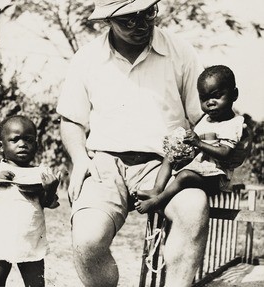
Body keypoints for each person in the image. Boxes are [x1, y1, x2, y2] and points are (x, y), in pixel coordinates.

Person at [56, 1, 208, 286]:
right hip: (104, 164)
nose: (141, 25)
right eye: (128, 20)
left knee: (194, 208)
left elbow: (202, 117)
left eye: (148, 13)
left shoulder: (181, 51)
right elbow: (71, 119)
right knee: (87, 240)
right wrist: (79, 159)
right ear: (107, 21)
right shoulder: (87, 57)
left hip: (164, 164)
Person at [135, 65, 245, 215]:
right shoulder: (206, 120)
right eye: (204, 98)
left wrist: (198, 143)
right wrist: (182, 146)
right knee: (170, 156)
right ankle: (157, 189)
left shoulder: (234, 124)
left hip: (215, 178)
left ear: (234, 95)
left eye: (217, 96)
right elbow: (195, 145)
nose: (210, 102)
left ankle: (158, 200)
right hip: (199, 168)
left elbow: (225, 152)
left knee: (185, 175)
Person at [0, 115, 60, 287]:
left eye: (28, 140)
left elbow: (47, 203)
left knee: (36, 285)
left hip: (31, 240)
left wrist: (50, 188)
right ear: (1, 146)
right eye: (15, 139)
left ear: (36, 145)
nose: (22, 144)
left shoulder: (41, 172)